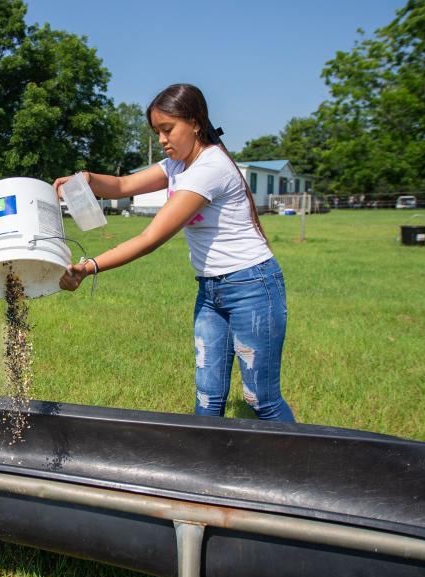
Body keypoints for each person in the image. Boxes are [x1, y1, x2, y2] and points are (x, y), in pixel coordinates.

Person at [54, 83, 295, 422]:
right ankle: (207, 468)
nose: (162, 140)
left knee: (261, 400)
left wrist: (89, 266)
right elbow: (122, 185)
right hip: (211, 291)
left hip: (252, 288)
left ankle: (298, 467)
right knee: (207, 399)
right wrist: (86, 178)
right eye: (157, 133)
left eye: (168, 129)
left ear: (195, 122)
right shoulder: (176, 167)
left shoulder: (209, 170)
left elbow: (150, 237)